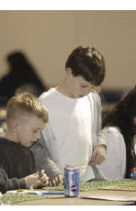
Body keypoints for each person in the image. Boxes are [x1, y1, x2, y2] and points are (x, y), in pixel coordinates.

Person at [31, 46, 107, 184]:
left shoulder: (93, 99)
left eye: (92, 87)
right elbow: (35, 146)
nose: (87, 91)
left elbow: (97, 132)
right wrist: (52, 172)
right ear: (69, 72)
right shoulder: (44, 103)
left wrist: (101, 145)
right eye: (84, 86)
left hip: (88, 177)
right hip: (60, 182)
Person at [0, 92, 49, 189]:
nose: (38, 136)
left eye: (40, 131)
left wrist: (39, 180)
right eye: (35, 131)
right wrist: (25, 183)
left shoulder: (28, 152)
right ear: (16, 126)